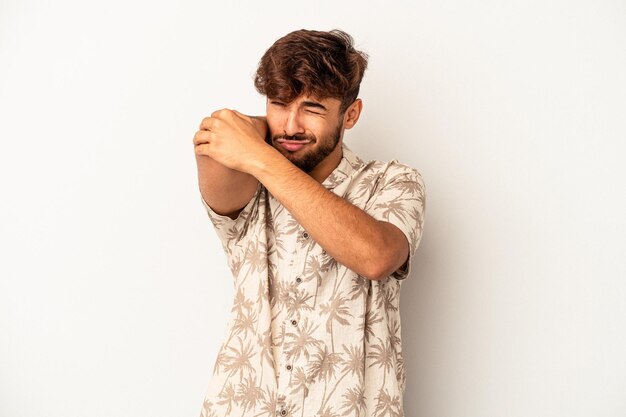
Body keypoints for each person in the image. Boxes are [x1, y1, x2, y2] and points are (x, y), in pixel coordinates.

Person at [193, 28, 426, 417]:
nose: (291, 126)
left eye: (313, 108)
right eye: (279, 104)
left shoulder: (393, 182)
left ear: (350, 114)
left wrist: (261, 157)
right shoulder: (246, 181)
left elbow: (376, 257)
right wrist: (257, 149)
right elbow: (216, 136)